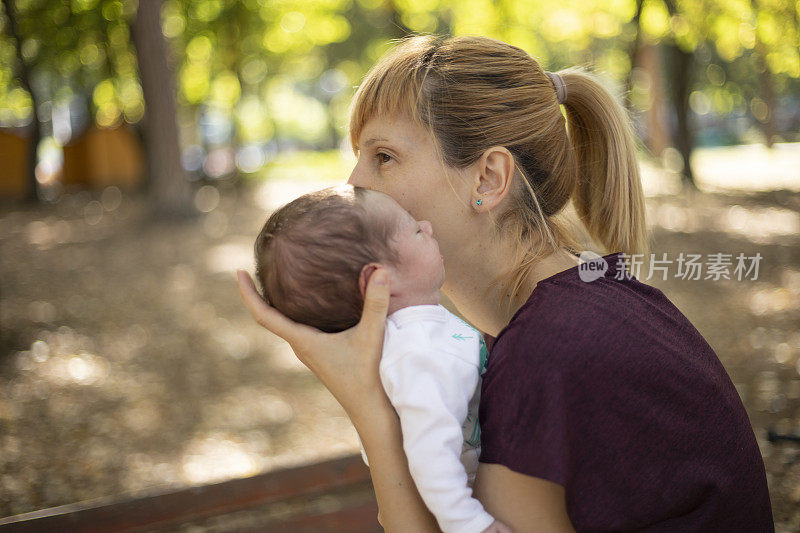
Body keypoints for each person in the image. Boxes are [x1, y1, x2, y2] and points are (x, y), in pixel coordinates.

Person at [237, 34, 774, 531]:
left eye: (384, 156)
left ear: (488, 179)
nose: (352, 183)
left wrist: (366, 406)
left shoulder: (548, 352)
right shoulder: (582, 303)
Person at [251, 184, 508, 532]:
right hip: (477, 499)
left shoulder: (417, 335)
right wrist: (468, 523)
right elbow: (431, 456)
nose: (428, 227)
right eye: (416, 230)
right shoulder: (416, 355)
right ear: (377, 280)